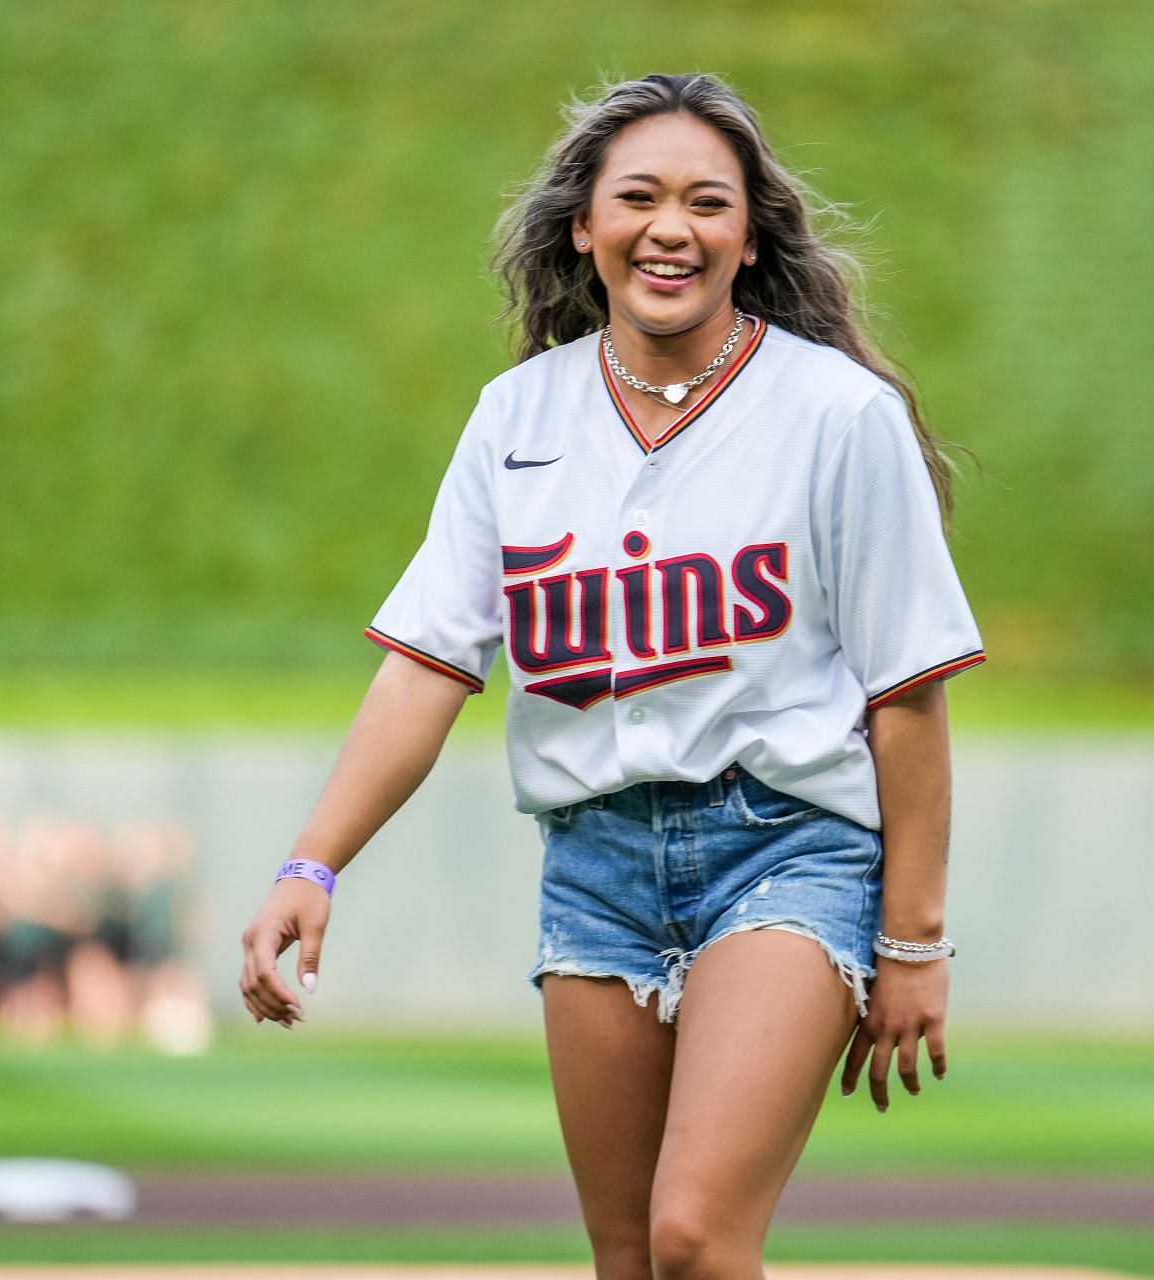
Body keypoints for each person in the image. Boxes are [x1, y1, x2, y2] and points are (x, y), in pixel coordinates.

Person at [239, 71, 984, 1275]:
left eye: (707, 202)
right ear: (584, 225)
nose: (670, 226)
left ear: (749, 237)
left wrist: (915, 939)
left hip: (785, 845)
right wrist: (309, 862)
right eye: (636, 196)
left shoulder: (837, 415)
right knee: (631, 1257)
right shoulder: (514, 417)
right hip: (595, 866)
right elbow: (426, 665)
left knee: (696, 1235)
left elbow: (909, 692)